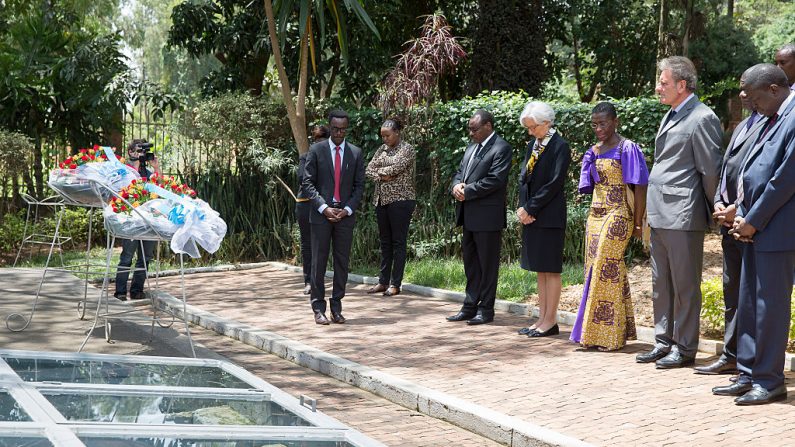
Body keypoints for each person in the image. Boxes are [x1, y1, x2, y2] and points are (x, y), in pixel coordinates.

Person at [713, 63, 795, 405]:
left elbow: (784, 180)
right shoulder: (770, 117)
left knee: (769, 308)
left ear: (774, 89)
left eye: (752, 92)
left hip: (776, 229)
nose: (746, 98)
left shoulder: (791, 117)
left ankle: (769, 380)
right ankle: (747, 373)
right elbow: (752, 170)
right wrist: (740, 212)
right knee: (748, 305)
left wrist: (753, 219)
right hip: (753, 226)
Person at [636, 56, 722, 368]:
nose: (658, 87)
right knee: (661, 284)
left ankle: (685, 348)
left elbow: (710, 170)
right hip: (661, 213)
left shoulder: (702, 118)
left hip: (683, 214)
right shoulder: (672, 114)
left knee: (685, 286)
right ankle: (663, 342)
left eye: (663, 82)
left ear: (682, 85)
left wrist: (719, 211)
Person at [695, 76, 765, 375]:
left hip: (752, 223)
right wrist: (720, 202)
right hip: (729, 222)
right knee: (731, 291)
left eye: (747, 89)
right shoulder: (741, 126)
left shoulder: (773, 125)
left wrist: (741, 206)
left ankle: (751, 362)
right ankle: (731, 354)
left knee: (752, 296)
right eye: (740, 88)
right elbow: (726, 167)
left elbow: (764, 174)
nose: (742, 94)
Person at [570, 102, 648, 350]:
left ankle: (609, 337)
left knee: (606, 265)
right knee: (596, 268)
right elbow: (588, 187)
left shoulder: (628, 148)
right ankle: (594, 334)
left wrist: (637, 222)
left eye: (603, 123)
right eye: (595, 124)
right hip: (595, 215)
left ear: (616, 121)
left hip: (619, 214)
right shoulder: (593, 151)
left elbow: (640, 186)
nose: (599, 128)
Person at [446, 109, 512, 325]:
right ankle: (469, 306)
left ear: (488, 126)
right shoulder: (472, 147)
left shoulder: (501, 148)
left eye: (474, 129)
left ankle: (486, 310)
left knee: (487, 265)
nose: (471, 133)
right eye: (469, 129)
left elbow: (496, 180)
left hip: (488, 217)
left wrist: (468, 191)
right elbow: (459, 172)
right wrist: (456, 185)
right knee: (471, 264)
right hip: (468, 216)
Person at [514, 102, 572, 338]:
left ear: (546, 123)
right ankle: (541, 318)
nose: (530, 132)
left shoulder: (560, 146)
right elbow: (523, 178)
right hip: (532, 214)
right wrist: (522, 208)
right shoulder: (533, 144)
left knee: (551, 269)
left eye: (533, 127)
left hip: (549, 215)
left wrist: (531, 207)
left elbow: (555, 183)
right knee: (540, 269)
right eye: (527, 128)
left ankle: (551, 320)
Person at [302, 110, 365, 325]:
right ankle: (318, 307)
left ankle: (336, 307)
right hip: (321, 216)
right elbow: (307, 183)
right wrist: (323, 207)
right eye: (336, 129)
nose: (339, 133)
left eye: (343, 129)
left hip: (344, 216)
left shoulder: (355, 153)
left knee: (341, 263)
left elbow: (359, 186)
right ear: (330, 127)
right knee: (318, 263)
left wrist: (347, 209)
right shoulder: (316, 150)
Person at [365, 117, 416, 297]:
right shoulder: (382, 149)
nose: (384, 139)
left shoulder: (407, 149)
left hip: (401, 200)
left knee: (398, 242)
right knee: (385, 242)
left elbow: (397, 168)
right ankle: (382, 281)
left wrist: (383, 170)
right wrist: (382, 175)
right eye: (382, 136)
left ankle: (395, 284)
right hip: (381, 200)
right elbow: (369, 169)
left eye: (387, 135)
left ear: (397, 133)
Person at [114, 139, 160, 301]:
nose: (142, 154)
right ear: (130, 152)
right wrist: (134, 165)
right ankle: (120, 291)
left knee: (145, 257)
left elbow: (160, 189)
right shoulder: (123, 170)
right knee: (127, 256)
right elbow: (122, 187)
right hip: (131, 220)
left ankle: (136, 290)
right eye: (138, 151)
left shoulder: (148, 173)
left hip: (148, 220)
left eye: (143, 151)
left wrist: (156, 167)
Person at [296, 125, 330, 295]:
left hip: (326, 207)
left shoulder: (334, 158)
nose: (319, 144)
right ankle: (309, 281)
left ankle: (319, 278)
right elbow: (303, 178)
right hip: (306, 204)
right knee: (307, 244)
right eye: (316, 141)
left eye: (322, 140)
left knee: (322, 244)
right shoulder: (305, 157)